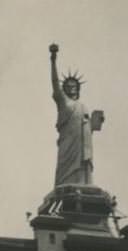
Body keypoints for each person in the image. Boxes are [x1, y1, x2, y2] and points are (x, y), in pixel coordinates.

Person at [49, 43, 104, 187]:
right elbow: (55, 83)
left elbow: (88, 129)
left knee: (81, 169)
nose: (71, 88)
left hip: (81, 147)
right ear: (65, 89)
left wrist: (95, 123)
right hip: (68, 144)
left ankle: (82, 183)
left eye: (74, 86)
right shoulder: (63, 102)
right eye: (68, 86)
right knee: (65, 171)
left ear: (78, 89)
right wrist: (53, 60)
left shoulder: (83, 106)